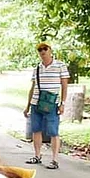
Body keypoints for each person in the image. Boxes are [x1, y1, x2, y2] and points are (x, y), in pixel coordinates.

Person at [24, 42, 68, 170]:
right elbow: (33, 88)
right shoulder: (37, 68)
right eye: (40, 50)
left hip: (51, 103)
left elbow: (64, 85)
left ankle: (54, 159)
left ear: (50, 50)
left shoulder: (60, 66)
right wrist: (27, 106)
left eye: (45, 49)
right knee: (36, 130)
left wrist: (62, 103)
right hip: (36, 102)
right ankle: (37, 155)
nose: (42, 52)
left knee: (53, 131)